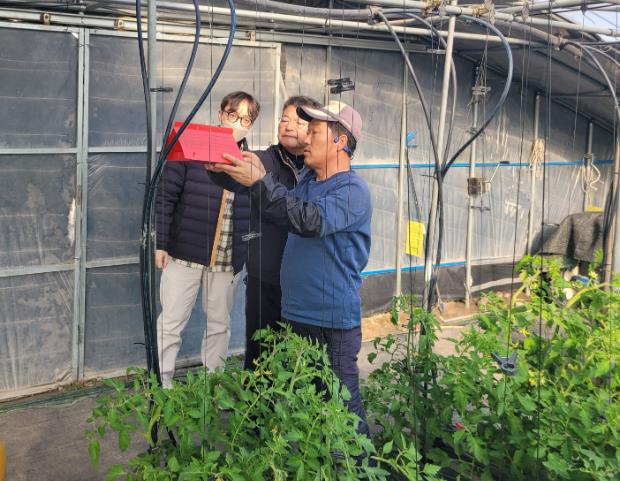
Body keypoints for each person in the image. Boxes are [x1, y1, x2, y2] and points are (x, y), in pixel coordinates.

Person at [209, 101, 372, 435]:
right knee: (309, 407)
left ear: (340, 141)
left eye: (314, 132)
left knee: (341, 409)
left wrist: (260, 182)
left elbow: (309, 220)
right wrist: (230, 170)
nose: (305, 138)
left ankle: (356, 463)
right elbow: (280, 205)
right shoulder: (310, 183)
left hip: (329, 323)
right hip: (297, 317)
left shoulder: (351, 190)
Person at [208, 95, 322, 369]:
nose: (288, 126)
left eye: (298, 122)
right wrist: (222, 156)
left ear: (314, 130)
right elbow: (231, 175)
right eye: (284, 119)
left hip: (304, 281)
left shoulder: (318, 169)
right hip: (266, 276)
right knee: (260, 355)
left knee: (302, 358)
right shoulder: (264, 160)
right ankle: (257, 398)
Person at [154, 91, 260, 388]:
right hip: (183, 253)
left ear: (251, 125)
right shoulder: (191, 146)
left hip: (227, 259)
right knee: (171, 322)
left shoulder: (250, 162)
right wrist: (161, 243)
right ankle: (160, 385)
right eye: (232, 115)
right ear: (220, 114)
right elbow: (165, 196)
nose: (237, 123)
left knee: (219, 324)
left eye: (245, 119)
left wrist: (247, 251)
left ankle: (214, 385)